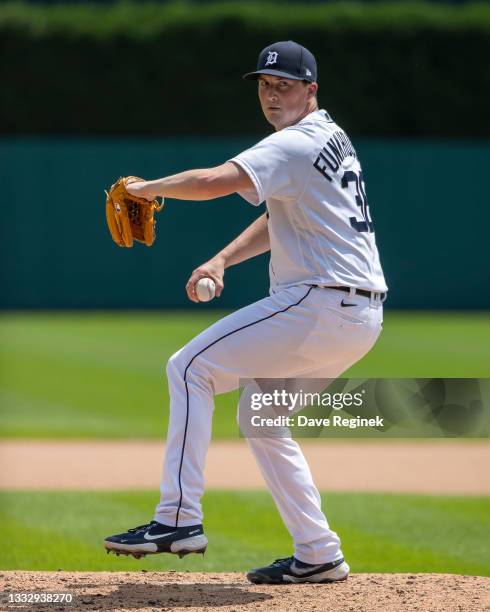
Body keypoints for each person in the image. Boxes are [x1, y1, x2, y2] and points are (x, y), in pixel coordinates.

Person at [104, 40, 387, 584]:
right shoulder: (330, 139)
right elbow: (282, 215)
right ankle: (319, 552)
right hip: (357, 319)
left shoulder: (297, 144)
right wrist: (222, 258)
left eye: (284, 85)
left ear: (311, 90)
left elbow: (214, 181)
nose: (272, 94)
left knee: (189, 367)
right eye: (264, 84)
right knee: (262, 417)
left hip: (320, 305)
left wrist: (145, 188)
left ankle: (178, 519)